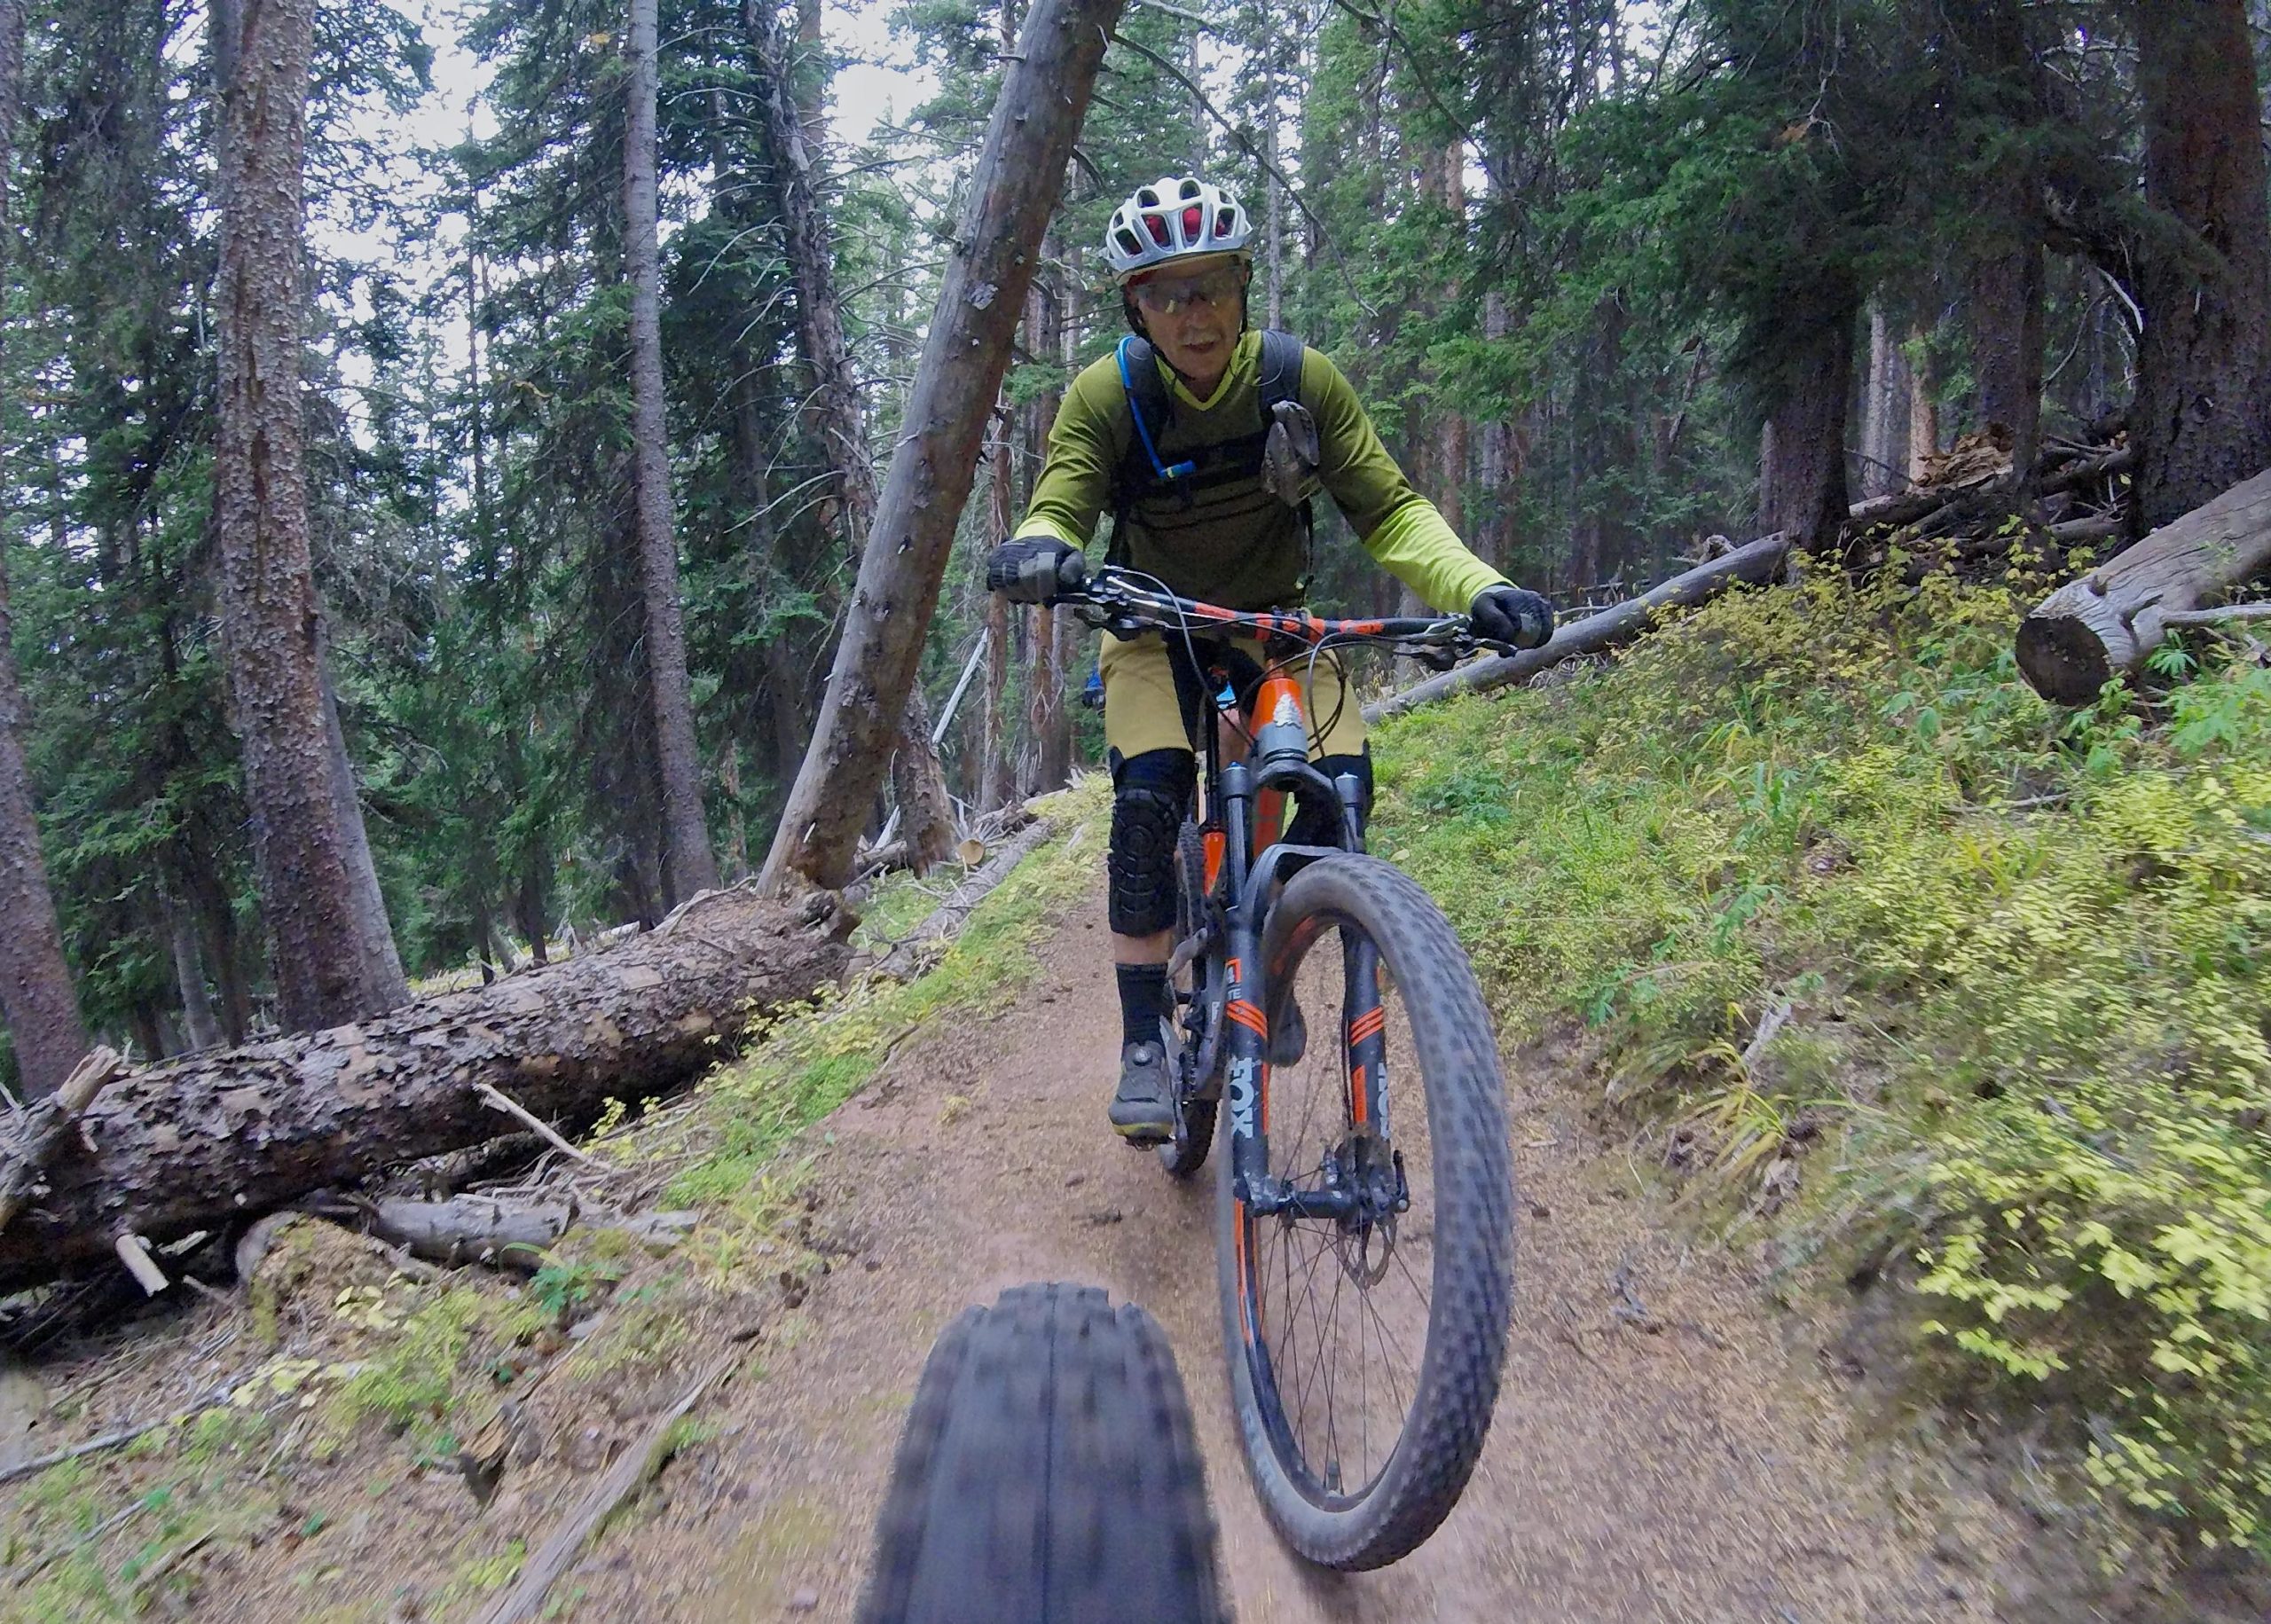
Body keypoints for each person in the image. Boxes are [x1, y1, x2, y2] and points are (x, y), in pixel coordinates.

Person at [986, 175, 1553, 1146]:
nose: (1193, 313)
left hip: (1276, 628)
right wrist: (1041, 549)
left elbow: (1390, 508)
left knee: (1340, 794)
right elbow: (1060, 504)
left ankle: (1274, 964)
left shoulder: (1299, 380)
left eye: (1211, 286)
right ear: (1135, 307)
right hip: (1152, 625)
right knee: (1150, 794)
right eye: (1167, 294)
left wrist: (1478, 587)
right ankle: (1143, 1040)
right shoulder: (1107, 396)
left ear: (1243, 286)